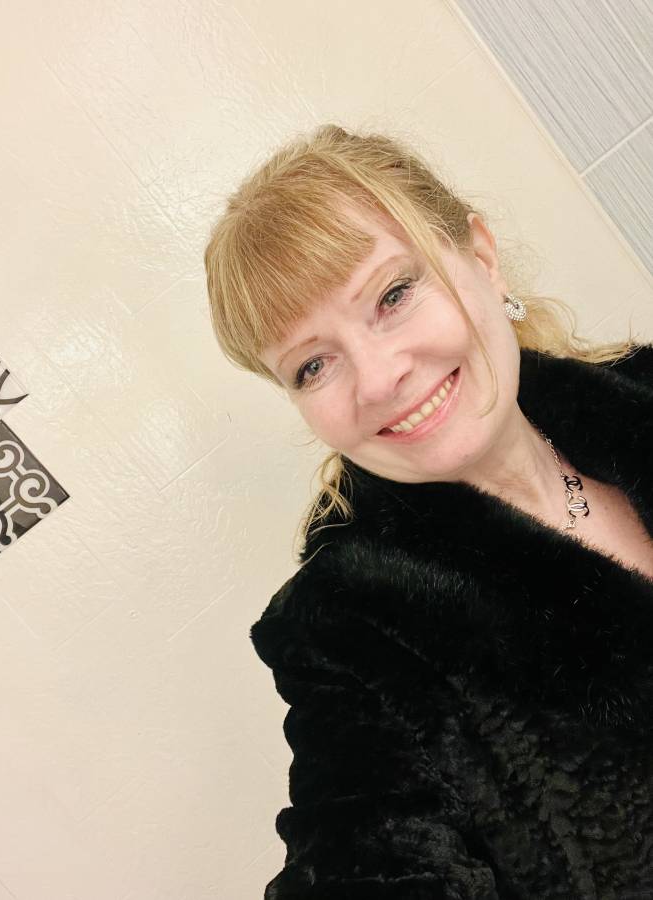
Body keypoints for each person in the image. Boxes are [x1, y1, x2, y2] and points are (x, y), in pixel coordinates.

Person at [204, 124, 653, 899]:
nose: (378, 379)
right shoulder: (348, 631)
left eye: (392, 295)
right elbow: (360, 847)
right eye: (312, 365)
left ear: (480, 256)